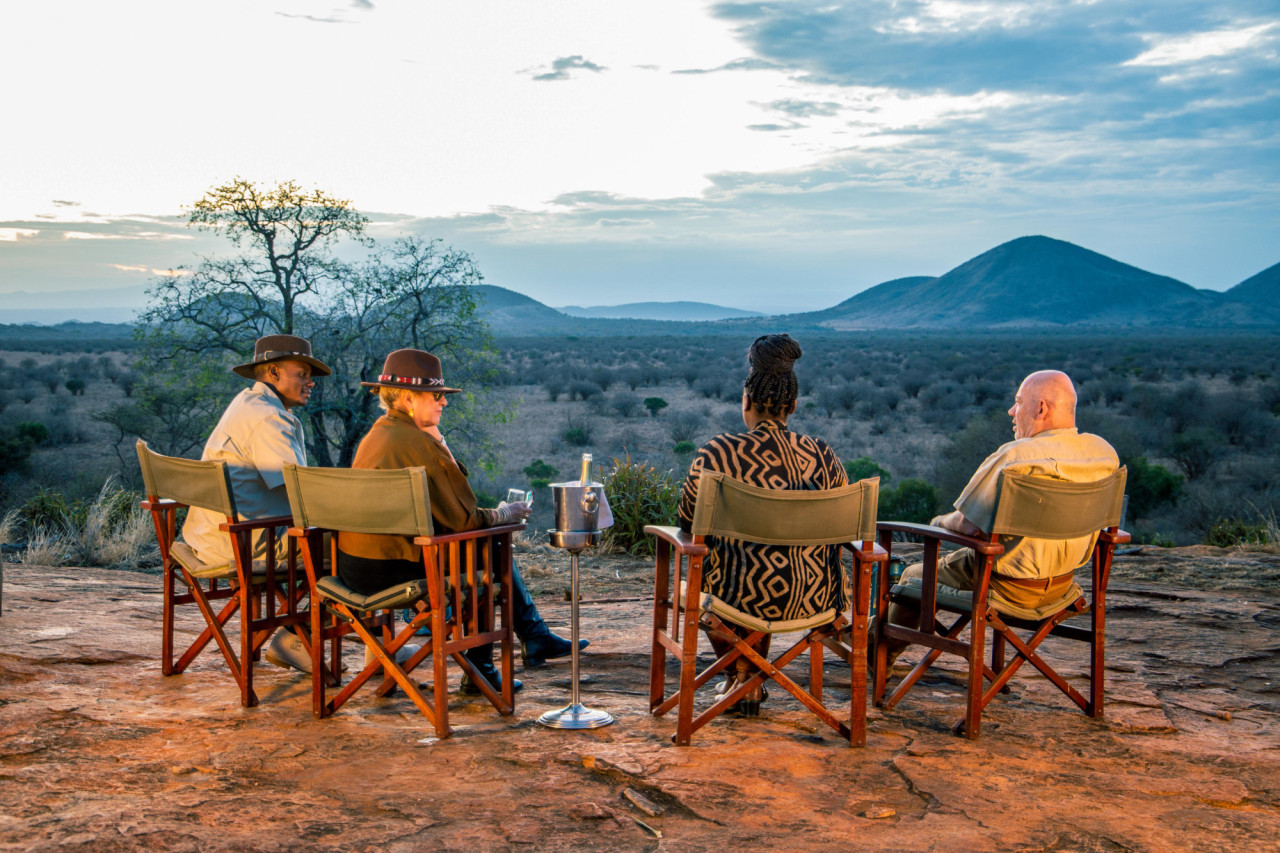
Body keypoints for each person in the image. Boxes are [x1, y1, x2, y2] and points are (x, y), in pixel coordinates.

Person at [337, 348, 584, 695]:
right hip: (394, 571)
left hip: (354, 569)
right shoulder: (419, 443)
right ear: (409, 398)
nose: (444, 403)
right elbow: (466, 521)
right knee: (490, 544)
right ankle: (486, 666)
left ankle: (529, 639)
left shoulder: (378, 435)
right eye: (437, 396)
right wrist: (503, 514)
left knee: (483, 544)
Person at [883, 369, 1120, 662]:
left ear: (1041, 408)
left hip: (1005, 588)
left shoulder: (1017, 458)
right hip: (1063, 587)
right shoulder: (1103, 453)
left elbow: (968, 527)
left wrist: (938, 522)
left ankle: (876, 653)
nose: (1011, 411)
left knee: (911, 577)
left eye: (1018, 402)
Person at [678, 334, 848, 714]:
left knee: (717, 570)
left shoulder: (718, 454)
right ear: (793, 404)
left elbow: (688, 522)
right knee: (771, 560)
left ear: (747, 401)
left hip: (738, 599)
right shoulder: (823, 454)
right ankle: (748, 679)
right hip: (815, 598)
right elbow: (844, 524)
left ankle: (744, 675)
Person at [182, 333, 331, 674]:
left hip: (209, 535)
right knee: (353, 548)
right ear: (273, 371)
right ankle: (299, 636)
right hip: (242, 542)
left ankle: (298, 634)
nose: (310, 383)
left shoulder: (246, 402)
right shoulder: (269, 418)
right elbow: (298, 489)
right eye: (302, 374)